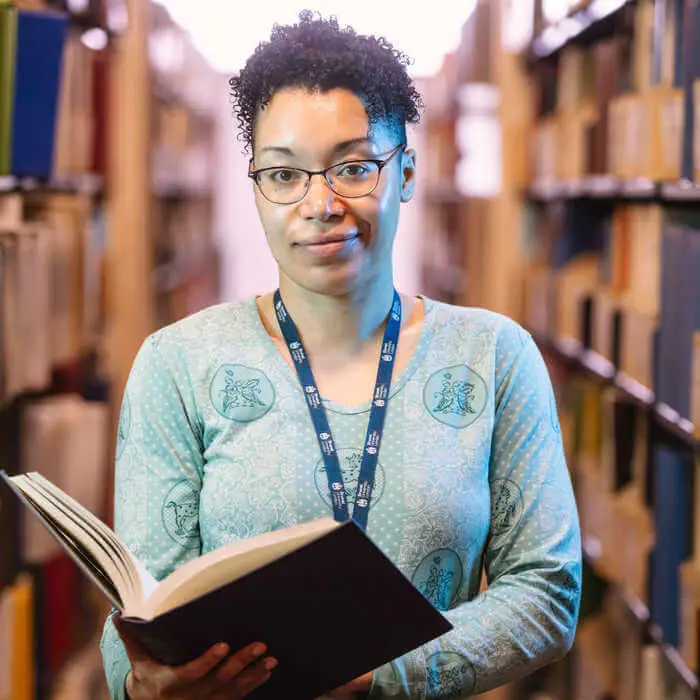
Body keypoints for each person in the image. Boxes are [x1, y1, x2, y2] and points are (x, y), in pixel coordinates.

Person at [100, 11, 582, 699]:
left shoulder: (495, 357)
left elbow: (547, 591)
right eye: (284, 174)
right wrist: (142, 686)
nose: (319, 203)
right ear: (257, 186)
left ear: (408, 171)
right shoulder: (177, 364)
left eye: (353, 167)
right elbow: (133, 605)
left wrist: (385, 676)